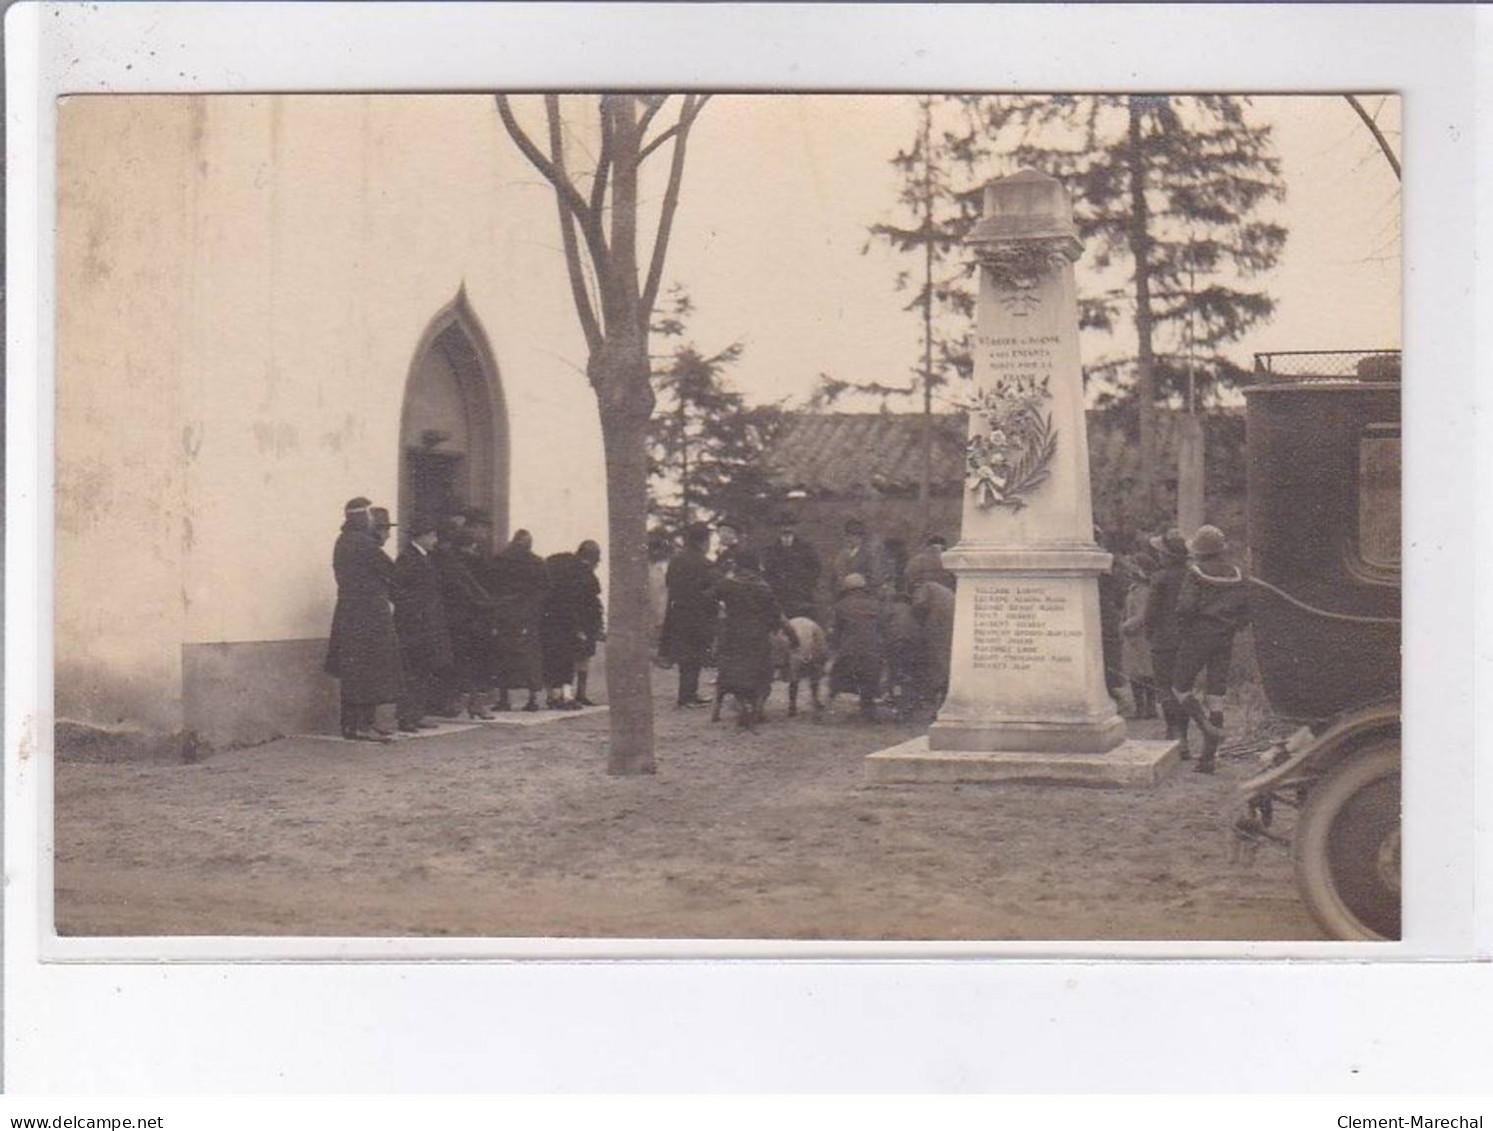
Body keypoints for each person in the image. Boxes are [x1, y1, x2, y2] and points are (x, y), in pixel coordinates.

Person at [1171, 525, 1251, 774]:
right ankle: (1208, 759)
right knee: (1216, 695)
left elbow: (1185, 607)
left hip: (1197, 636)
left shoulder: (1194, 573)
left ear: (1199, 551)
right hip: (1224, 638)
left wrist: (1185, 629)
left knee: (1179, 687)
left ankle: (1204, 725)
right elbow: (1248, 609)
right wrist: (1234, 625)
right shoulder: (1238, 573)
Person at [323, 498, 403, 743]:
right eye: (369, 516)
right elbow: (393, 572)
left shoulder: (344, 541)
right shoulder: (363, 543)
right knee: (369, 670)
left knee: (355, 670)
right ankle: (361, 726)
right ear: (362, 518)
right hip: (368, 615)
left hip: (351, 613)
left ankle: (354, 724)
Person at [393, 516, 458, 731]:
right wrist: (416, 615)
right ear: (421, 537)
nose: (435, 540)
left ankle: (416, 714)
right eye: (432, 535)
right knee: (412, 671)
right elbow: (399, 591)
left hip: (425, 625)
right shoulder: (408, 559)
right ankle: (407, 717)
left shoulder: (423, 558)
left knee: (422, 670)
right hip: (414, 626)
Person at [711, 549, 786, 730]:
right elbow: (775, 615)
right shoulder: (763, 587)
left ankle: (743, 705)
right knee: (761, 675)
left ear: (737, 564)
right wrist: (773, 626)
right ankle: (758, 709)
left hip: (733, 636)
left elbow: (709, 597)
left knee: (735, 674)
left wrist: (722, 613)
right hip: (757, 638)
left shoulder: (728, 584)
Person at [431, 519, 495, 718]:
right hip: (467, 619)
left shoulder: (457, 561)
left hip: (466, 619)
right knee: (469, 663)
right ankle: (468, 703)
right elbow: (468, 590)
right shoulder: (454, 563)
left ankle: (465, 703)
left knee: (467, 662)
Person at [487, 528, 547, 712]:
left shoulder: (500, 560)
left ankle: (505, 698)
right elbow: (543, 589)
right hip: (526, 614)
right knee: (528, 657)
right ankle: (532, 699)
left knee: (504, 655)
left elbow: (492, 588)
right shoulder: (536, 562)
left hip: (506, 613)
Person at [660, 522, 719, 707]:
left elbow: (669, 582)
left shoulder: (676, 560)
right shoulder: (705, 563)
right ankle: (687, 696)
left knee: (686, 658)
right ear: (702, 541)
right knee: (695, 657)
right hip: (698, 615)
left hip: (677, 614)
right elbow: (713, 589)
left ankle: (687, 694)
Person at [541, 540, 604, 709]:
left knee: (552, 658)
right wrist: (583, 628)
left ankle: (554, 696)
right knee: (570, 659)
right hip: (573, 621)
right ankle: (568, 696)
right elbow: (588, 598)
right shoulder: (583, 572)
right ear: (592, 558)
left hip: (548, 618)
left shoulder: (557, 563)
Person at [1144, 528, 1192, 747]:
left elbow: (1150, 612)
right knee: (1183, 688)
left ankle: (1172, 732)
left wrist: (1149, 633)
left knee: (1164, 687)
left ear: (1166, 557)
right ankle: (1183, 736)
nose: (1159, 555)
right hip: (1188, 641)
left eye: (1161, 552)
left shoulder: (1160, 578)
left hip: (1163, 641)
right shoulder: (1193, 575)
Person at [828, 573, 884, 720]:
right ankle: (868, 709)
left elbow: (835, 631)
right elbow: (882, 627)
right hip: (873, 651)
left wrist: (835, 647)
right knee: (869, 679)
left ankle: (828, 706)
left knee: (837, 676)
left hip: (849, 650)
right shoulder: (876, 604)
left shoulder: (841, 606)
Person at [1120, 550, 1159, 720]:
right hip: (1136, 637)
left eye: (1134, 566)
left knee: (1142, 673)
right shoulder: (1135, 588)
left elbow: (1142, 614)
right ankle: (1145, 708)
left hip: (1140, 635)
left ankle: (1146, 709)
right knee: (1140, 672)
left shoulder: (1143, 590)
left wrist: (1125, 626)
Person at [761, 514, 821, 620]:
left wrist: (806, 586)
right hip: (780, 598)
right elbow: (767, 573)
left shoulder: (806, 549)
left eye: (790, 525)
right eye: (783, 525)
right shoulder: (770, 551)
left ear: (794, 528)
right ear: (778, 528)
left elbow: (815, 569)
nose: (787, 528)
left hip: (801, 598)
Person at [911, 576, 955, 709]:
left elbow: (919, 604)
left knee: (937, 663)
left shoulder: (925, 587)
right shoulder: (946, 591)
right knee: (946, 662)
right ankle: (942, 697)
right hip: (951, 627)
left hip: (938, 628)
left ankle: (934, 701)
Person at [882, 591, 926, 719]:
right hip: (913, 644)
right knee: (910, 673)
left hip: (894, 643)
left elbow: (882, 626)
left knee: (895, 674)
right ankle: (910, 702)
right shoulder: (913, 610)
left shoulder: (889, 609)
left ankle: (897, 702)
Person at [831, 518, 885, 596]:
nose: (849, 539)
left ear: (861, 538)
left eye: (853, 536)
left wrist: (860, 583)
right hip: (842, 596)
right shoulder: (841, 555)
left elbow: (876, 578)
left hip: (862, 596)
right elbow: (834, 578)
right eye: (847, 536)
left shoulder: (869, 556)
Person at [647, 530, 674, 664]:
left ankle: (656, 653)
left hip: (659, 603)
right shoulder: (652, 569)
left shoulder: (659, 568)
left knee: (657, 628)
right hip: (656, 603)